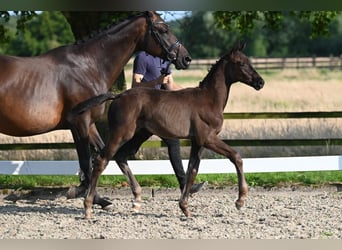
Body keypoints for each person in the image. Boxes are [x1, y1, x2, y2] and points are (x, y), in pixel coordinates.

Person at [115, 51, 206, 194]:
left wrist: (194, 94)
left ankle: (184, 185)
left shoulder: (163, 60)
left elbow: (170, 85)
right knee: (130, 146)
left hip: (158, 113)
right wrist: (156, 82)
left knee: (172, 143)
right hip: (143, 112)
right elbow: (135, 86)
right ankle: (184, 185)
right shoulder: (142, 58)